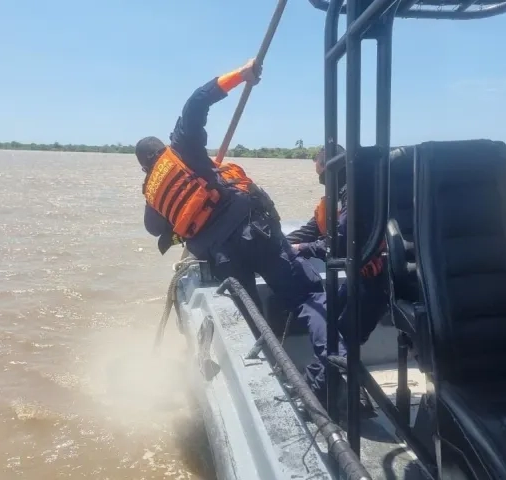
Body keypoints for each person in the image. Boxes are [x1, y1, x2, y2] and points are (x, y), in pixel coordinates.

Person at [136, 59, 328, 372]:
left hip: (223, 256)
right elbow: (197, 100)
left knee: (253, 323)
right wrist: (242, 74)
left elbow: (158, 231)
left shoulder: (151, 196)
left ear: (145, 167)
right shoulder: (182, 147)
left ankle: (272, 374)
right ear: (162, 148)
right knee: (306, 297)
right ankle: (335, 370)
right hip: (256, 232)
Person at [286, 145, 389, 417]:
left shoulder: (360, 195)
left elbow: (340, 243)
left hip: (379, 281)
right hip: (359, 280)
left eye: (321, 173)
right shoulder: (339, 197)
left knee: (343, 338)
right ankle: (322, 387)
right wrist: (281, 245)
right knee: (329, 319)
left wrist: (305, 250)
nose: (320, 180)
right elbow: (310, 230)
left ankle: (326, 395)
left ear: (333, 168)